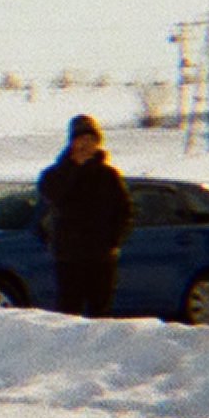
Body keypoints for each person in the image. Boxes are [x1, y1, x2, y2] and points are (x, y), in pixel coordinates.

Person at [35, 113, 133, 318]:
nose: (85, 145)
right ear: (71, 143)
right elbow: (51, 193)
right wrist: (73, 168)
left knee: (100, 315)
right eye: (80, 140)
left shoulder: (109, 175)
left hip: (101, 258)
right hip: (68, 258)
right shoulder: (56, 173)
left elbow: (125, 211)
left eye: (90, 140)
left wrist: (112, 241)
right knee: (68, 314)